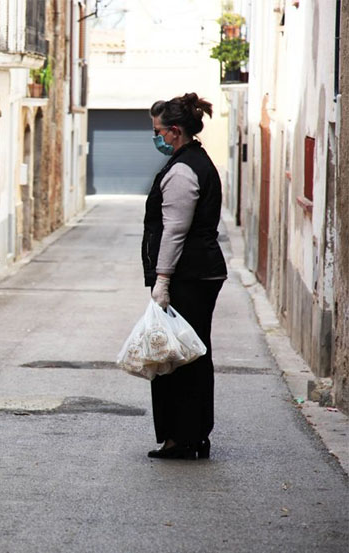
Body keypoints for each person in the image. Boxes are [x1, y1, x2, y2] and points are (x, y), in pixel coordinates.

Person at [142, 93, 228, 460]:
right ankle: (192, 435)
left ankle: (182, 437)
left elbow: (174, 230)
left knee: (176, 357)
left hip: (188, 275)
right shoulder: (194, 161)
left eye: (158, 131)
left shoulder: (182, 170)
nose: (156, 137)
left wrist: (162, 280)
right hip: (199, 272)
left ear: (175, 131)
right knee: (191, 352)